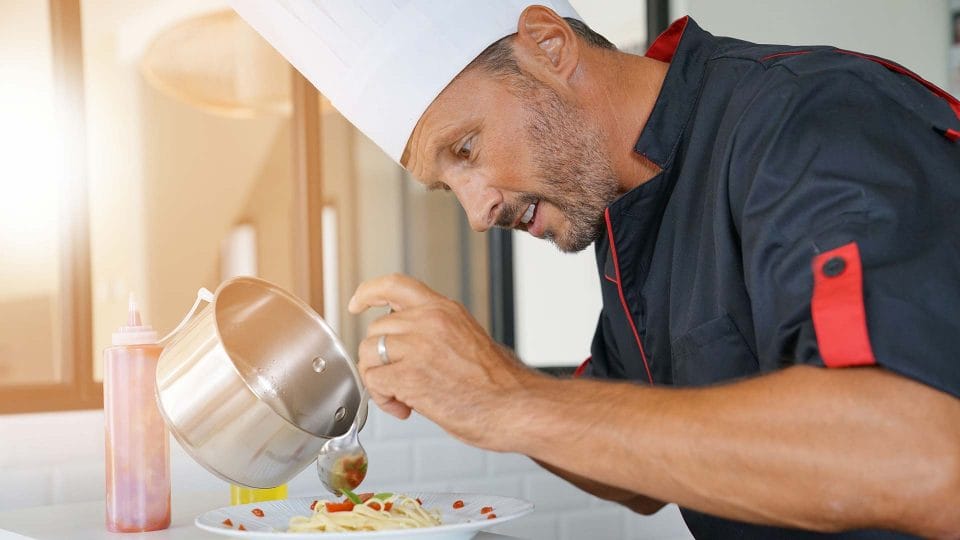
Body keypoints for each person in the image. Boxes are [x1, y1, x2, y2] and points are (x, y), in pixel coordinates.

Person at [231, 2, 960, 537]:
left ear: (548, 46)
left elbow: (921, 457)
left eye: (466, 150)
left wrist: (507, 397)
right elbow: (632, 473)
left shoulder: (806, 120)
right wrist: (465, 393)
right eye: (447, 185)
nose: (478, 212)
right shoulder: (629, 210)